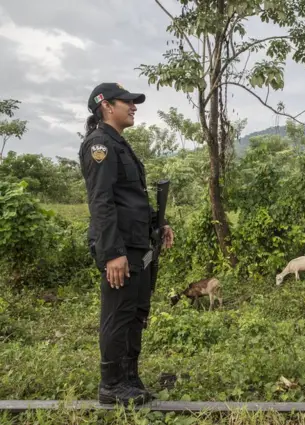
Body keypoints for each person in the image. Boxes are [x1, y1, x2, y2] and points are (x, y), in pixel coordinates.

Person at [79, 82, 175, 405]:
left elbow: (130, 199)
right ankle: (111, 384)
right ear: (107, 106)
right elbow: (102, 203)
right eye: (128, 102)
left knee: (135, 313)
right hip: (120, 249)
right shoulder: (99, 145)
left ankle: (129, 377)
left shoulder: (120, 144)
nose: (134, 107)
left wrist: (158, 226)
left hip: (138, 245)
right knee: (117, 314)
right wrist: (112, 254)